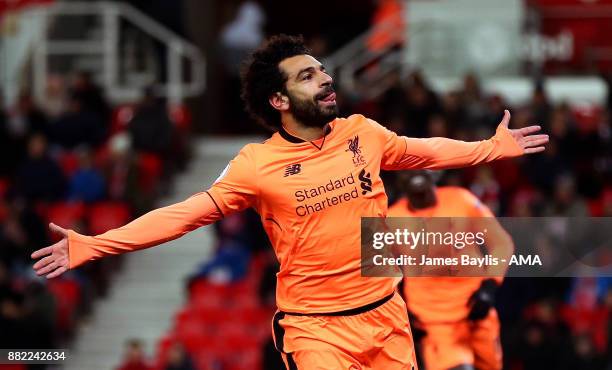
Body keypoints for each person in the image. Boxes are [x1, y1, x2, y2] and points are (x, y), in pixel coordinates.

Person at [32, 35, 548, 369]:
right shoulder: (256, 165)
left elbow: (424, 151)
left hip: (388, 316)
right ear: (279, 101)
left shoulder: (361, 132)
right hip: (315, 330)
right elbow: (184, 214)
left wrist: (489, 148)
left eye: (322, 69)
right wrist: (96, 244)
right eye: (307, 75)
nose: (325, 77)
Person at [388, 170, 514, 370]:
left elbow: (501, 243)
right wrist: (399, 315)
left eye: (419, 166)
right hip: (434, 321)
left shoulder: (461, 200)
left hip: (477, 308)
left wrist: (490, 285)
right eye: (406, 170)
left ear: (433, 174)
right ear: (399, 182)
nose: (414, 174)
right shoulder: (391, 219)